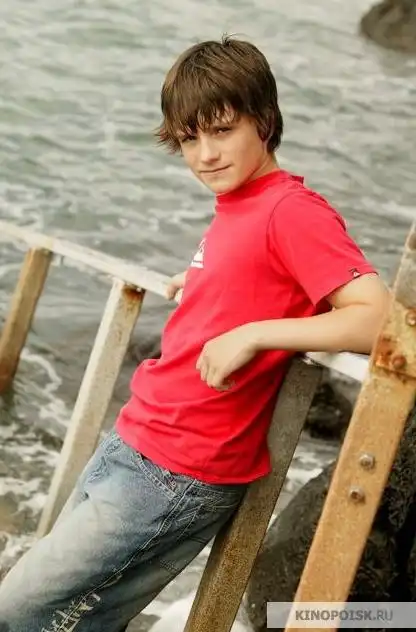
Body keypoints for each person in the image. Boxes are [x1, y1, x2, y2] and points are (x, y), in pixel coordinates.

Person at [0, 36, 390, 631]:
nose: (205, 155)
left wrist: (254, 333)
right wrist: (209, 284)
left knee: (18, 610)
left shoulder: (292, 210)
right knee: (71, 622)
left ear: (264, 121)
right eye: (189, 139)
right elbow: (261, 271)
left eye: (222, 131)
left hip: (177, 472)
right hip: (136, 439)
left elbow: (378, 318)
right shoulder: (241, 202)